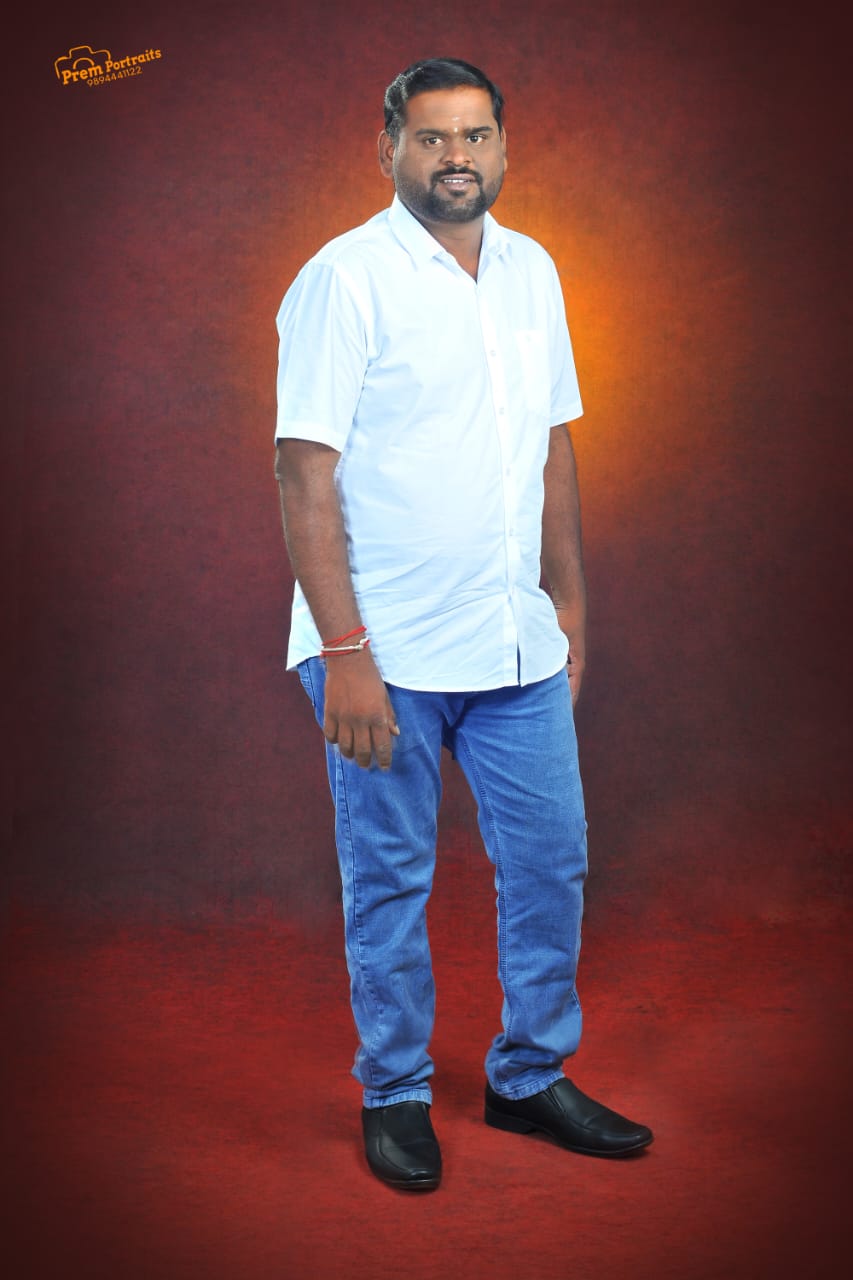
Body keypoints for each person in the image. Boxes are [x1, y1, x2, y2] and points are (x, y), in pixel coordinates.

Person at [274, 57, 652, 1192]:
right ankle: (393, 1090)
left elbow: (551, 443)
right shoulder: (344, 278)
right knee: (389, 877)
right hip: (381, 648)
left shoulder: (532, 270)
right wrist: (344, 653)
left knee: (550, 861)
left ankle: (527, 1076)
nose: (455, 157)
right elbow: (302, 470)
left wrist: (567, 602)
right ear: (388, 145)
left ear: (503, 146)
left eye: (475, 135)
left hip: (512, 637)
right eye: (432, 136)